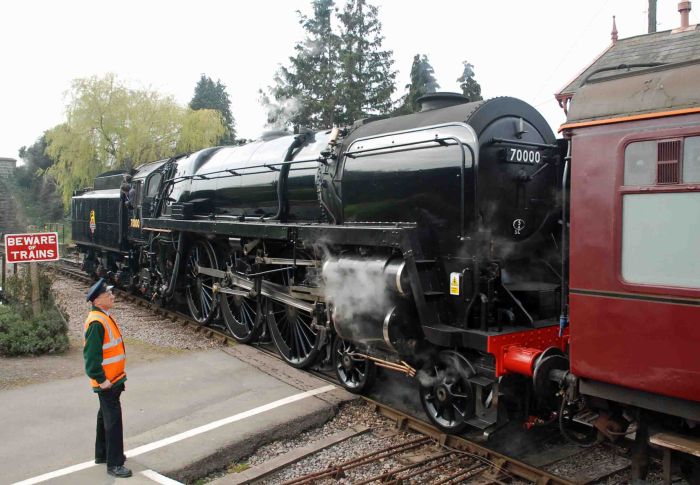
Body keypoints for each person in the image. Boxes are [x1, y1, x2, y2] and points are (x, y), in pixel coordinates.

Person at [83, 278, 132, 478]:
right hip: (107, 382)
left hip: (113, 379)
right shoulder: (97, 322)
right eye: (108, 294)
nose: (112, 296)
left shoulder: (103, 316)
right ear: (97, 301)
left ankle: (102, 454)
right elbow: (91, 359)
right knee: (113, 422)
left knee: (104, 416)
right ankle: (115, 464)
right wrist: (102, 380)